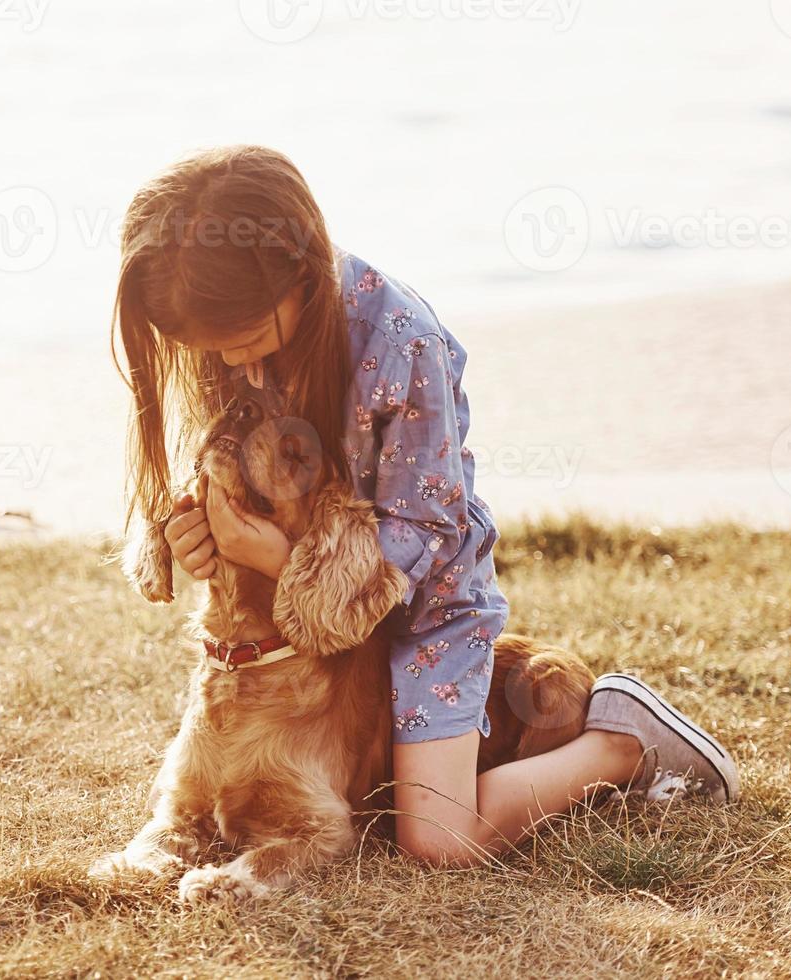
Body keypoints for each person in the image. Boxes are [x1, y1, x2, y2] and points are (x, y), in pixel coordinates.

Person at [111, 145, 739, 866]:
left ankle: (618, 744)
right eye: (205, 350)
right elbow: (227, 466)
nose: (230, 366)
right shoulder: (229, 321)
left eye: (245, 341)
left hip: (424, 611)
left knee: (436, 842)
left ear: (300, 273)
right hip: (300, 622)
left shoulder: (399, 340)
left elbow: (425, 524)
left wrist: (286, 563)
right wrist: (193, 533)